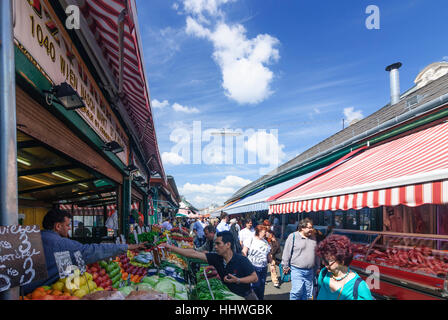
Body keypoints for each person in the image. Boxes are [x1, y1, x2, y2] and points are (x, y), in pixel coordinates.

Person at [23, 209, 147, 294]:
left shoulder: (29, 238)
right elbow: (91, 250)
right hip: (41, 292)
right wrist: (127, 247)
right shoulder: (61, 243)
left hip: (21, 292)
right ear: (58, 226)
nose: (69, 228)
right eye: (67, 225)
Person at [161, 231, 259, 300]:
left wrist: (238, 280)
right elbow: (193, 254)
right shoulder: (216, 258)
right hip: (229, 296)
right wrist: (170, 247)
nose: (215, 246)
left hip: (246, 297)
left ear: (228, 245)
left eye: (218, 244)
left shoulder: (241, 260)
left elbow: (254, 278)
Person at [316, 234, 374, 300]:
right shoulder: (323, 274)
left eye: (327, 261)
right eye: (323, 259)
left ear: (342, 261)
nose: (323, 263)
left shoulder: (359, 286)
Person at [281, 218, 317, 300]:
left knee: (308, 293)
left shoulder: (313, 237)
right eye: (309, 227)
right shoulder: (293, 236)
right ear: (302, 228)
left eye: (312, 227)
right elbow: (286, 252)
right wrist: (285, 265)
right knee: (296, 292)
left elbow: (316, 253)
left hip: (310, 271)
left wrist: (317, 266)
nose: (311, 229)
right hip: (297, 270)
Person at [241, 225, 272, 300]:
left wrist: (272, 263)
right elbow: (244, 252)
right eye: (264, 232)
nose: (265, 234)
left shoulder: (265, 241)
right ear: (258, 232)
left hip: (263, 268)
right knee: (254, 286)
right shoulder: (251, 239)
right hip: (253, 267)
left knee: (261, 287)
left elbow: (268, 254)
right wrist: (246, 265)